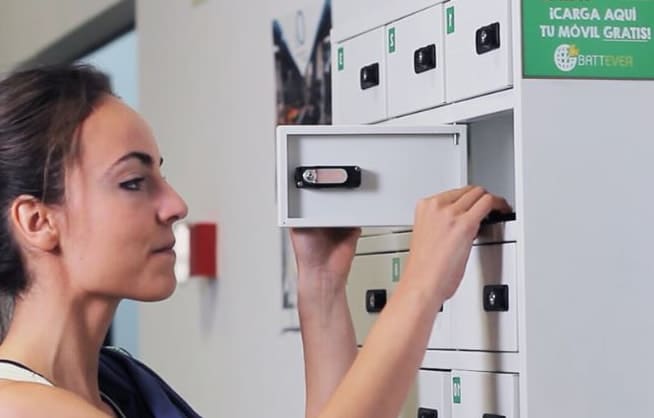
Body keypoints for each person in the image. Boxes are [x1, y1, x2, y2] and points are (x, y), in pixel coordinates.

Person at [0, 64, 510, 417]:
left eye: (161, 175)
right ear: (39, 220)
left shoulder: (121, 385)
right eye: (134, 182)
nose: (175, 204)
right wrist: (421, 289)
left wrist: (321, 285)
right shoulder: (19, 407)